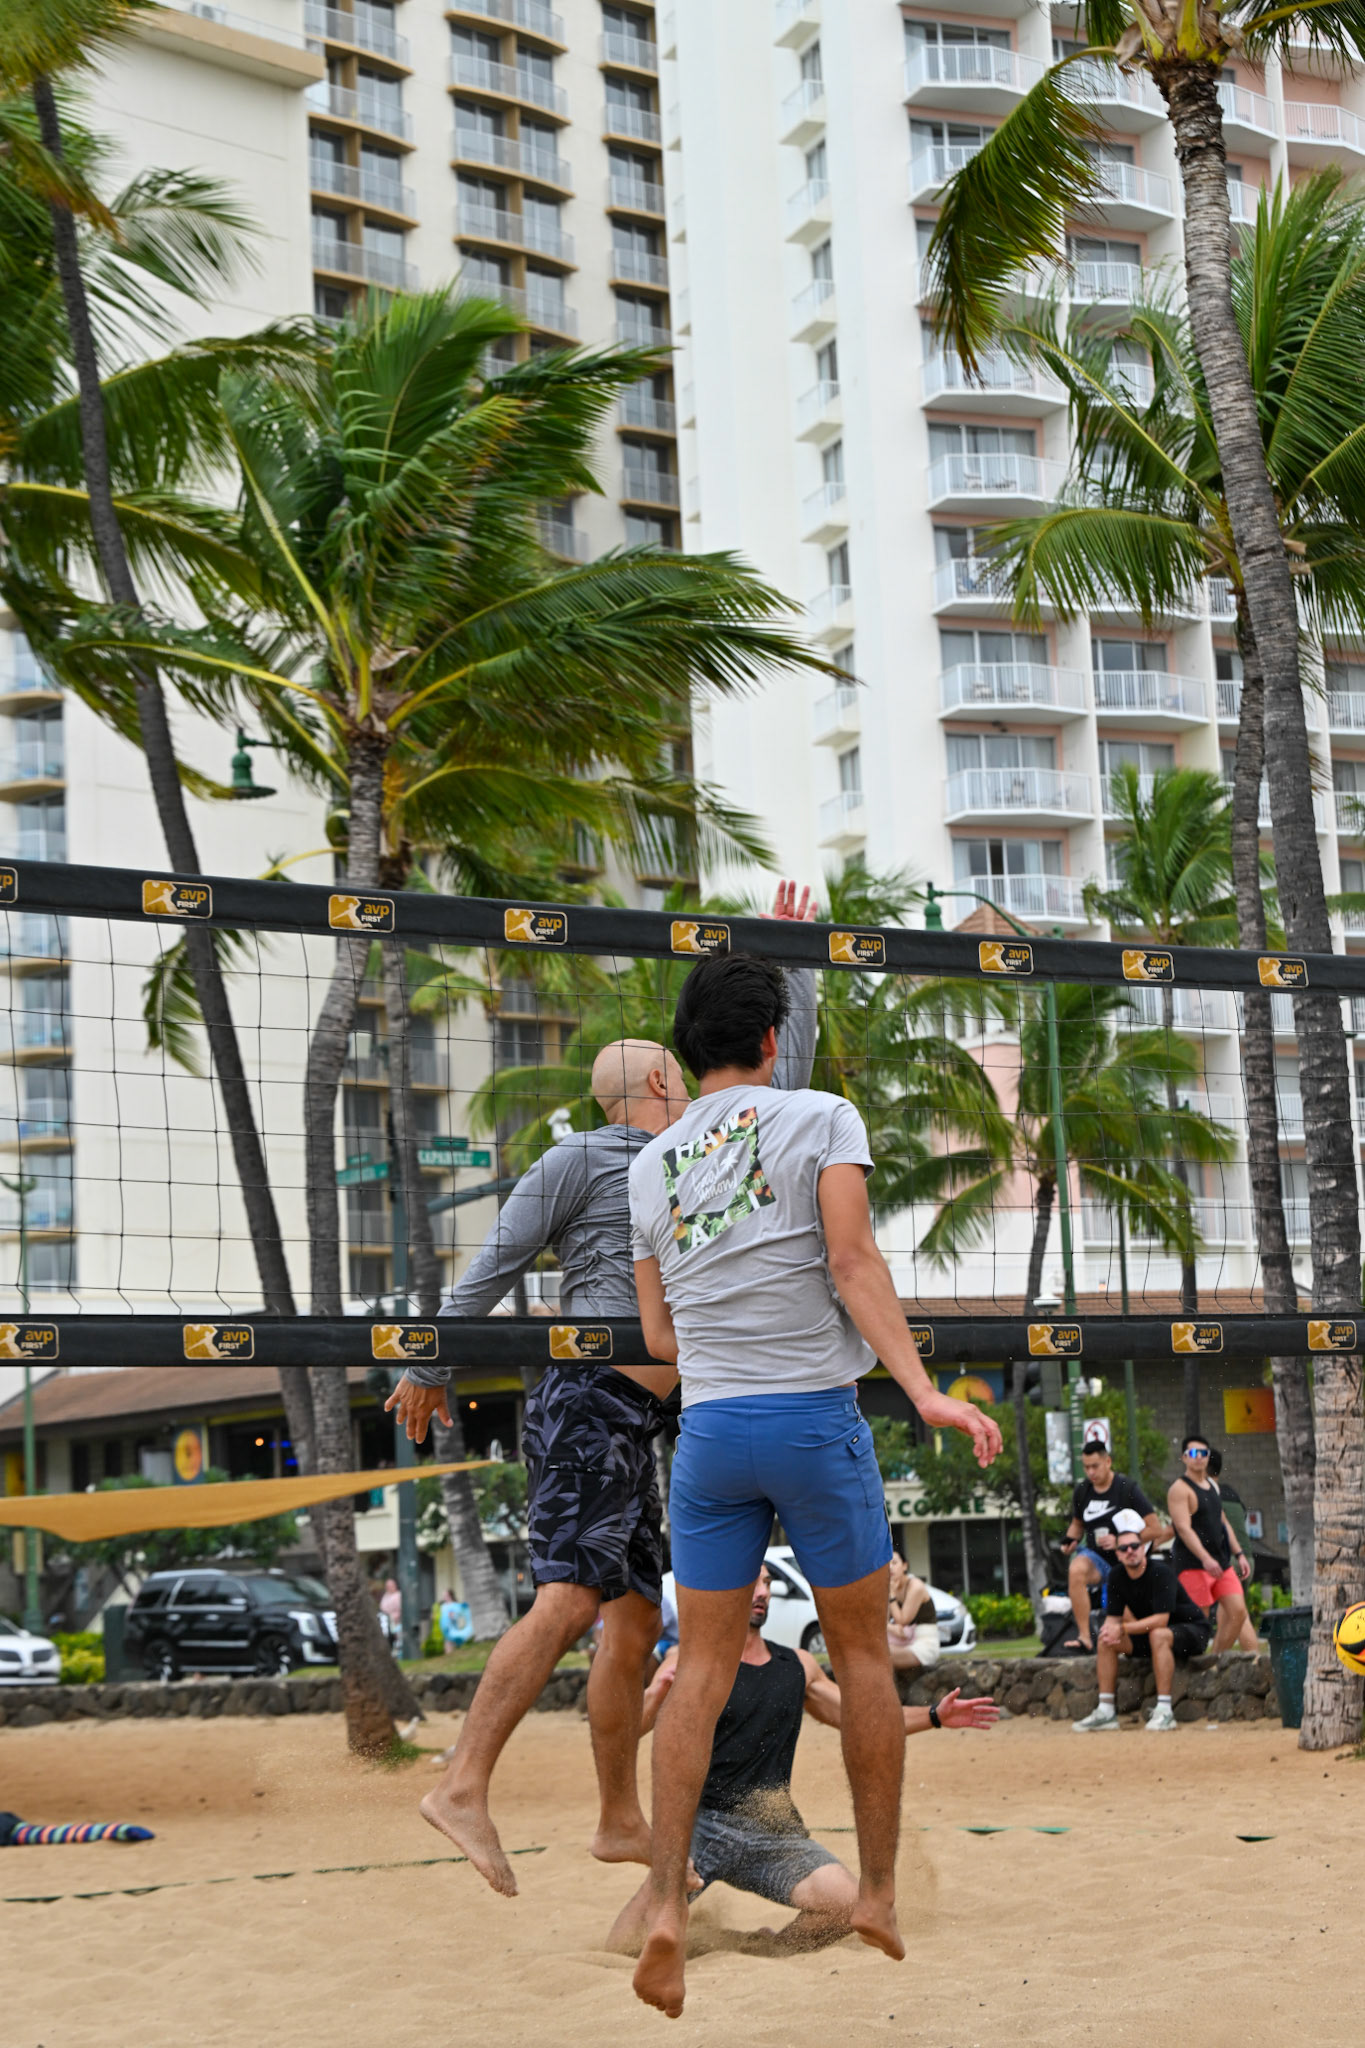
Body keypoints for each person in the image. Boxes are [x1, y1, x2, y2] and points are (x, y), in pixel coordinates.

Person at [385, 884, 820, 1899]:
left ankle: (619, 1814)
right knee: (573, 1596)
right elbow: (490, 1261)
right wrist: (427, 1360)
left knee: (631, 1622)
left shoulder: (709, 1143)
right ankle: (460, 1783)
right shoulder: (581, 1156)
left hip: (656, 1412)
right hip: (588, 1397)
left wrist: (796, 962)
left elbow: (776, 1068)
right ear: (664, 1079)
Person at [625, 950, 1002, 2016]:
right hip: (811, 1420)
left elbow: (659, 1333)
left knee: (694, 1671)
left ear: (688, 1049)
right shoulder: (820, 1115)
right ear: (772, 1042)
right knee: (863, 1659)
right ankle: (877, 1890)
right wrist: (923, 1390)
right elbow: (851, 1261)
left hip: (708, 1434)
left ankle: (664, 1906)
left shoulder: (648, 1166)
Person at [607, 1564, 997, 1958]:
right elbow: (626, 1733)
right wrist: (656, 1692)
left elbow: (862, 1720)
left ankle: (766, 1950)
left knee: (849, 1905)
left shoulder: (796, 1666)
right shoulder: (692, 1660)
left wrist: (934, 1716)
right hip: (698, 1827)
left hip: (773, 1833)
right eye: (752, 1581)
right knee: (624, 1946)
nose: (762, 1592)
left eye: (767, 1583)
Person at [1073, 1509, 1211, 1733]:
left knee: (1158, 1633)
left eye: (1135, 1546)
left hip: (1191, 1630)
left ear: (1143, 1549)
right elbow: (1113, 1619)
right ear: (1117, 1554)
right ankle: (1106, 1710)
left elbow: (1161, 1620)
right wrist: (1111, 1630)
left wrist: (1124, 1628)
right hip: (1151, 1636)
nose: (1130, 1551)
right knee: (1106, 1639)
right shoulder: (1116, 1576)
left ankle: (1165, 1711)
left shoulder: (1161, 1572)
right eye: (1123, 1548)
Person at [1058, 1434, 1165, 1652]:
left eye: (1095, 1466)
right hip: (1096, 1558)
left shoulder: (1126, 1488)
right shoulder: (1083, 1491)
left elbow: (1155, 1529)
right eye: (1086, 1467)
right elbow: (1077, 1524)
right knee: (1076, 1569)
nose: (1090, 1472)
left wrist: (1120, 1542)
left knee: (1124, 1615)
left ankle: (1143, 1648)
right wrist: (1070, 1540)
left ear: (1108, 1462)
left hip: (1126, 1561)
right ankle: (1084, 1637)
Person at [1167, 1435, 1253, 1654]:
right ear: (1184, 1457)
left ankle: (1214, 1659)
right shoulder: (1179, 1489)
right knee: (1199, 1621)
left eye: (1204, 1453)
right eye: (1194, 1454)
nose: (1199, 1458)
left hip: (1221, 1563)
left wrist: (1240, 1553)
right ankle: (1195, 1663)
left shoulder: (1213, 1486)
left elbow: (1223, 1522)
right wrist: (1204, 1558)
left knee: (1238, 1612)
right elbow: (1183, 1529)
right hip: (1193, 1564)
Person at [886, 1552, 940, 1674]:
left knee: (881, 1654)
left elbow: (902, 1620)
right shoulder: (890, 1586)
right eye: (886, 1563)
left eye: (894, 1562)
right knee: (873, 1650)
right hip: (901, 1641)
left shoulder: (915, 1586)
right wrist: (891, 1628)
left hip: (924, 1644)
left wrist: (892, 1597)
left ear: (905, 1565)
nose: (890, 1567)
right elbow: (882, 1619)